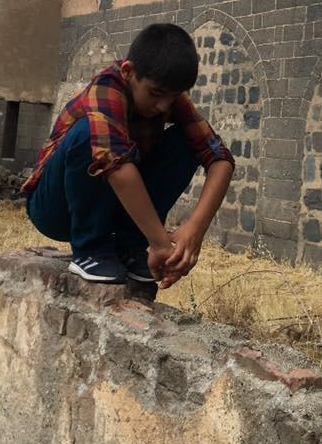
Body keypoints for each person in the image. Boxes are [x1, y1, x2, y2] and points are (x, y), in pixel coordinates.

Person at [23, 23, 235, 289]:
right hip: (55, 208)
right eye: (156, 94)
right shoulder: (106, 90)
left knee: (186, 142)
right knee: (90, 132)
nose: (163, 106)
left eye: (172, 97)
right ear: (128, 72)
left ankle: (128, 245)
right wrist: (160, 243)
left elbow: (220, 159)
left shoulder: (167, 98)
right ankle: (90, 247)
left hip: (110, 207)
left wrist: (195, 230)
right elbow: (117, 166)